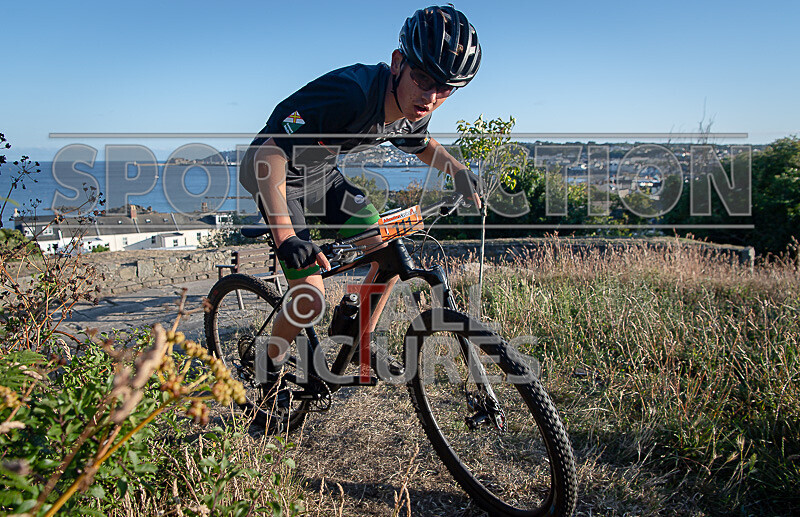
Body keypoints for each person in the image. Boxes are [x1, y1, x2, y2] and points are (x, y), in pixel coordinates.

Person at [238, 5, 483, 403]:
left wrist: (456, 170)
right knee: (310, 295)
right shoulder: (351, 94)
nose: (430, 96)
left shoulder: (413, 105)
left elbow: (420, 142)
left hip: (322, 174)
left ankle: (356, 343)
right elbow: (270, 154)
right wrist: (286, 237)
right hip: (275, 175)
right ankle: (268, 368)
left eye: (446, 89)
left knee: (385, 250)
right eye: (423, 78)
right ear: (398, 62)